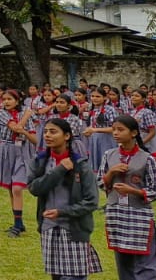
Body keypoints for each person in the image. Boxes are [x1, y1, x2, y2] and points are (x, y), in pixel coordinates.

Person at [29, 118, 102, 280]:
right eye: (46, 131)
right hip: (49, 228)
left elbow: (91, 201)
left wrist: (62, 212)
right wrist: (60, 169)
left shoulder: (80, 164)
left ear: (67, 136)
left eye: (53, 132)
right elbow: (34, 188)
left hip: (75, 229)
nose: (47, 135)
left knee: (74, 276)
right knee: (57, 276)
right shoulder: (40, 161)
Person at [103, 114, 156, 280]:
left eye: (120, 130)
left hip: (139, 214)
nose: (115, 133)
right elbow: (101, 183)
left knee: (145, 261)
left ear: (134, 133)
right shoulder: (109, 155)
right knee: (122, 258)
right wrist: (111, 172)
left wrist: (133, 190)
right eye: (114, 129)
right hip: (116, 213)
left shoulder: (146, 158)